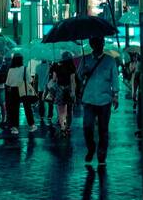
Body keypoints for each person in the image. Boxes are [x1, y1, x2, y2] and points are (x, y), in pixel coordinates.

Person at [78, 37, 120, 166]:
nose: (99, 46)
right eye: (96, 43)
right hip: (89, 99)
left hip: (104, 100)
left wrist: (115, 95)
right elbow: (78, 75)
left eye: (101, 43)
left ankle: (102, 153)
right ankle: (91, 148)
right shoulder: (85, 60)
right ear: (91, 45)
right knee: (87, 126)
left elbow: (115, 79)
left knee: (103, 129)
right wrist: (83, 72)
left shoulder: (110, 61)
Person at [4, 54, 37, 134]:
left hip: (14, 90)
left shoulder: (11, 70)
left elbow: (8, 82)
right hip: (23, 89)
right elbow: (29, 80)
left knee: (14, 109)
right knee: (27, 108)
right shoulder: (25, 68)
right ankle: (32, 125)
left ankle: (15, 128)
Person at [51, 52, 78, 136]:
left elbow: (54, 79)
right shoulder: (71, 66)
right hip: (69, 89)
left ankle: (62, 127)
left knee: (61, 110)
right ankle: (68, 127)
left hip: (60, 89)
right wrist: (73, 92)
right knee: (70, 110)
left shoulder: (56, 65)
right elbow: (73, 81)